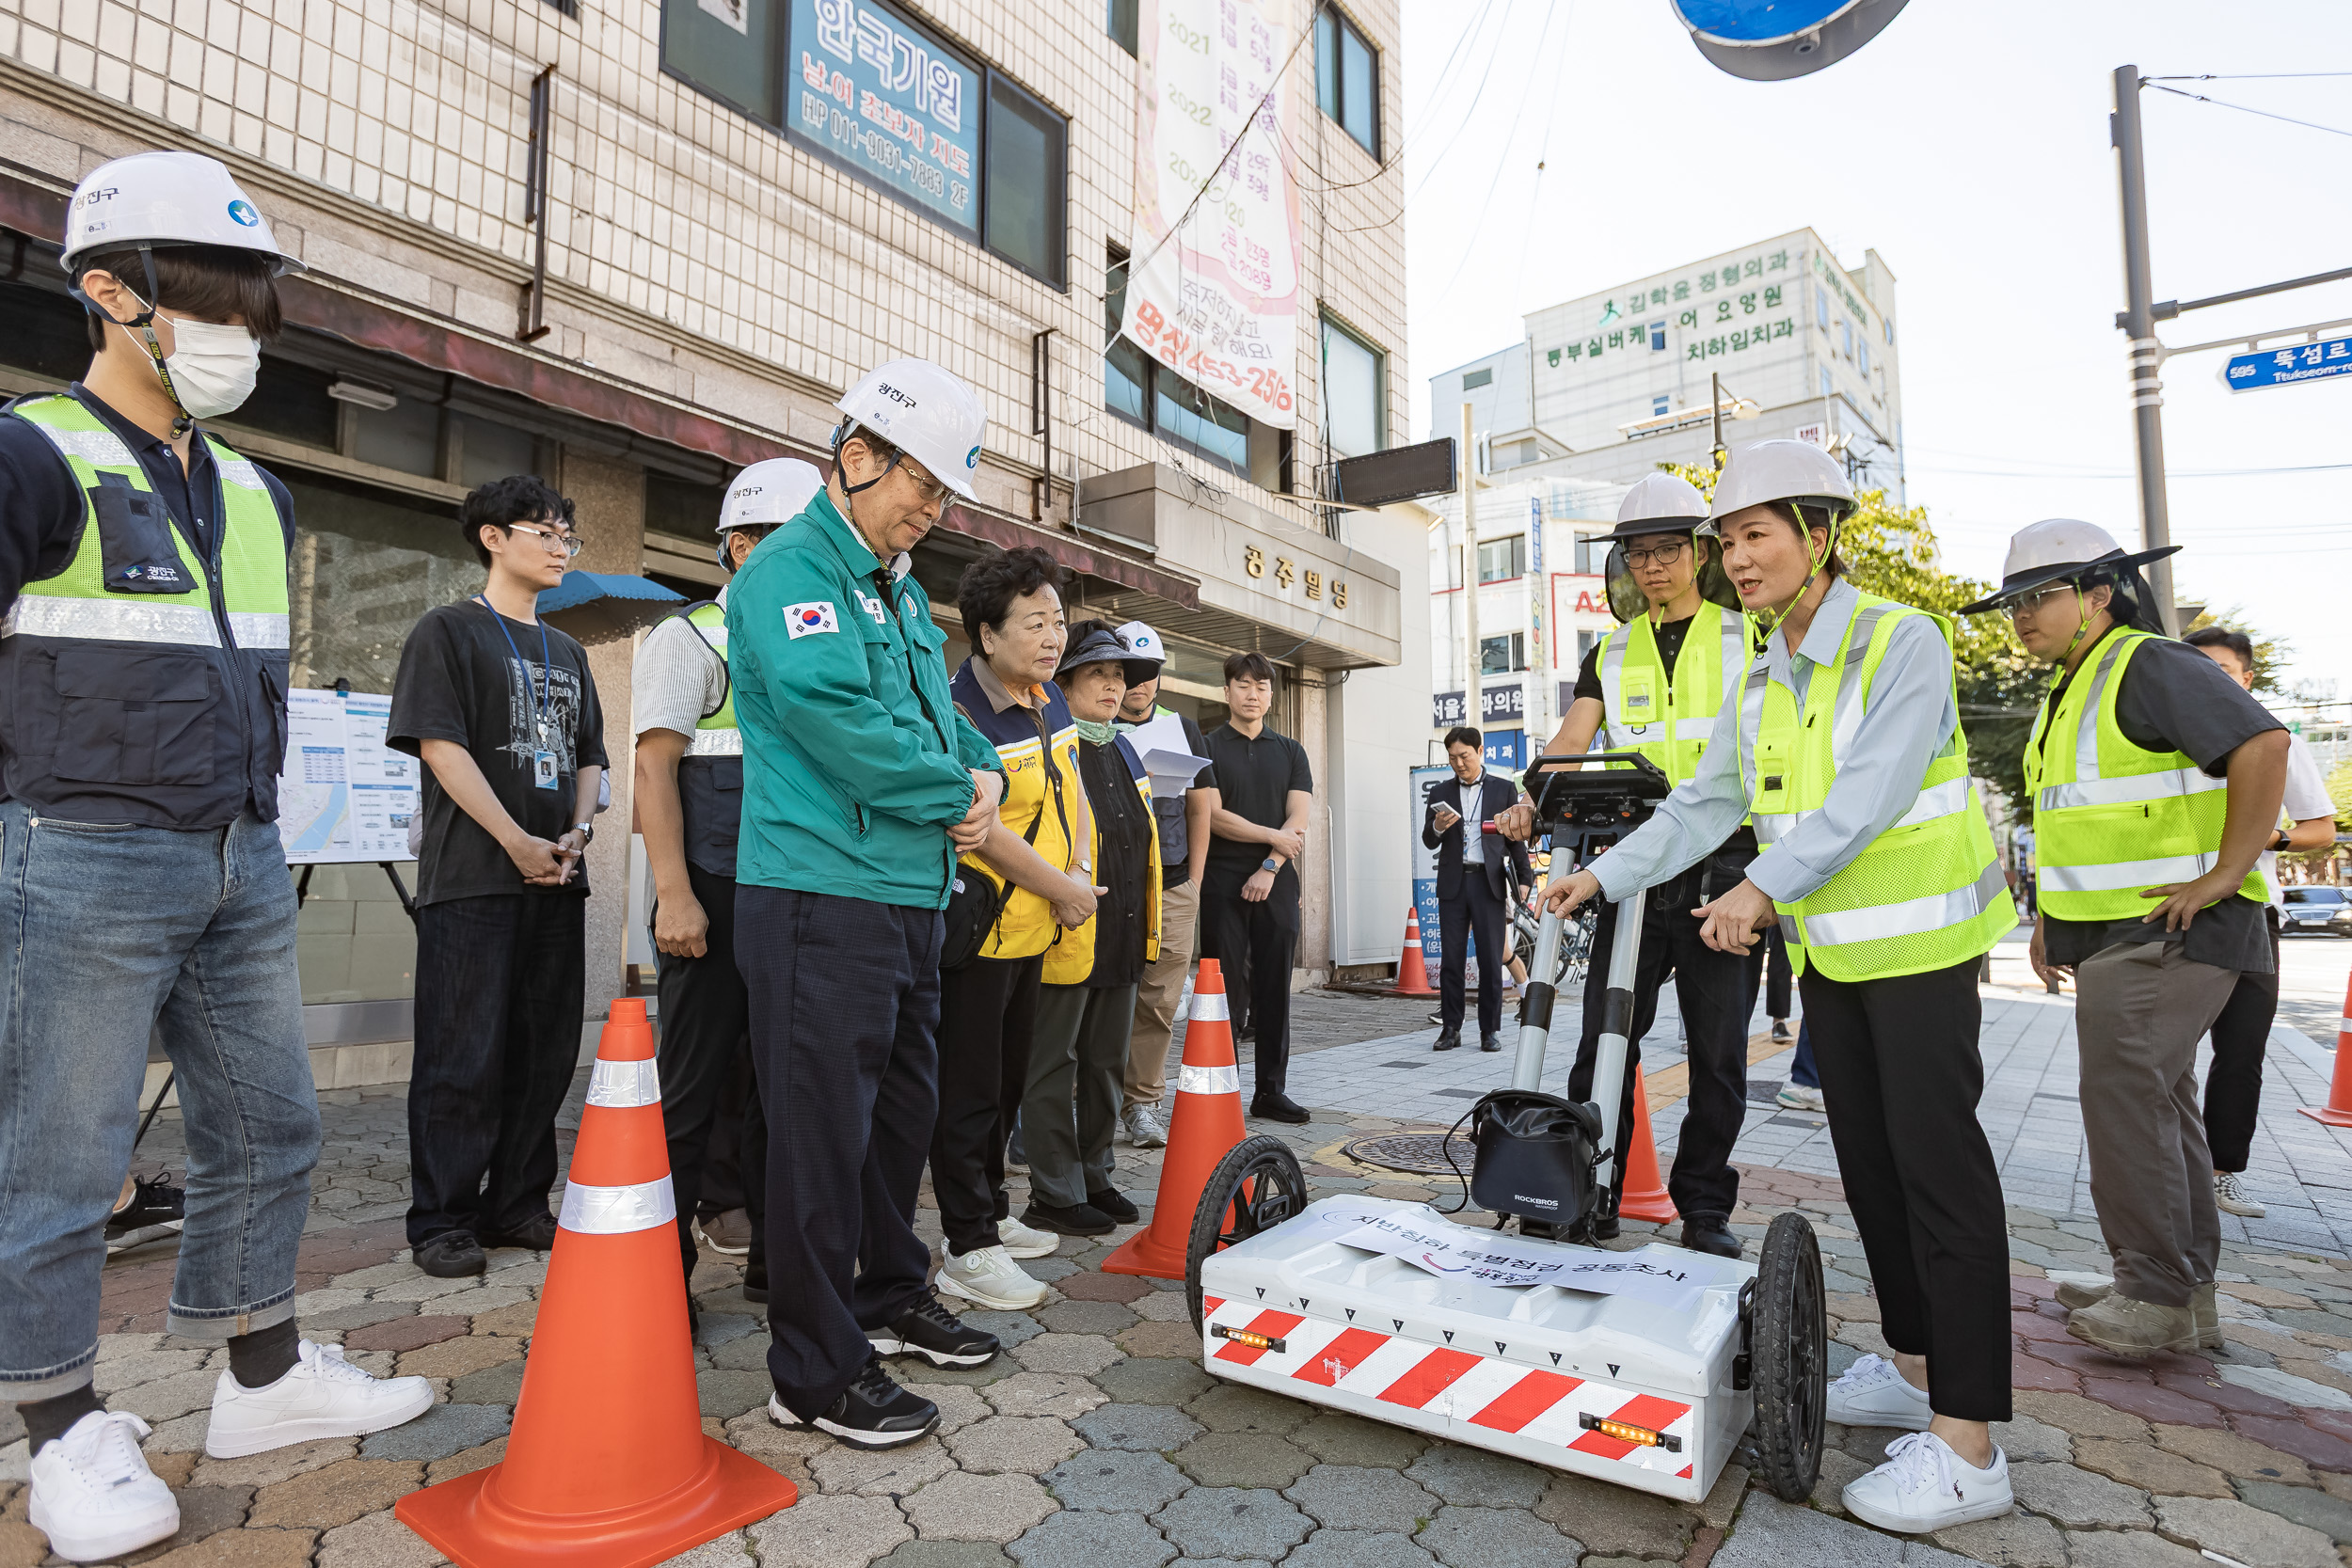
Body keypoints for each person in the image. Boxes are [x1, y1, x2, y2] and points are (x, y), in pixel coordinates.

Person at [1, 151, 429, 1563]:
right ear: (109, 294)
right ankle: (61, 1427)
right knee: (60, 1161)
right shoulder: (27, 453)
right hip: (76, 856)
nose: (236, 337)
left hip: (242, 858)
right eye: (207, 304)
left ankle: (258, 1379)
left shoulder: (256, 487)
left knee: (270, 1125)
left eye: (252, 309)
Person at [1542, 439, 2018, 1533]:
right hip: (1838, 957)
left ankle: (1971, 1442)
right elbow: (1700, 806)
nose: (1739, 557)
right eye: (1731, 537)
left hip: (1920, 950)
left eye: (1758, 533)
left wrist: (1755, 891)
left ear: (1820, 538)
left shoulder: (1902, 641)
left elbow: (1865, 797)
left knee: (1941, 1176)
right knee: (1872, 1170)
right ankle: (1911, 1365)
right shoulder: (1762, 672)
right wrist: (1596, 878)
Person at [728, 358, 1009, 1449]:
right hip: (817, 893)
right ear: (856, 457)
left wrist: (978, 765)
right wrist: (961, 793)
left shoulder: (886, 585)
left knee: (897, 1118)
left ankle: (890, 1292)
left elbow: (936, 722)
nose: (930, 514)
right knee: (817, 1137)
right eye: (922, 488)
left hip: (902, 891)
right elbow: (837, 722)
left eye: (943, 496)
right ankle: (810, 1365)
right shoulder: (792, 569)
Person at [1964, 522, 2287, 1358]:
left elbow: (2265, 742)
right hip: (2125, 934)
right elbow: (2082, 825)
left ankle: (2155, 1291)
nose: (2022, 617)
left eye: (2041, 597)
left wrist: (2225, 871)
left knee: (2125, 1096)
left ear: (2100, 593)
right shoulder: (2075, 684)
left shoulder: (2146, 662)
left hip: (2177, 929)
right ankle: (2183, 1285)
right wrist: (2049, 923)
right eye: (2014, 603)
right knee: (2160, 1099)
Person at [1500, 472, 1762, 1259]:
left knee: (1718, 1052)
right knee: (1605, 1037)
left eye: (1668, 551)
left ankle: (1705, 1209)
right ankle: (1590, 1189)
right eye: (1638, 553)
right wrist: (1528, 794)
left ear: (1699, 554)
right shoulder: (1609, 651)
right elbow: (1572, 739)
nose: (1653, 566)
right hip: (1633, 864)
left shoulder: (1747, 633)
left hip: (1725, 864)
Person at [389, 475, 607, 1278]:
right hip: (473, 877)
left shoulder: (571, 651)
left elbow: (590, 757)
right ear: (492, 537)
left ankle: (516, 1203)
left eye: (566, 537)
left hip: (557, 877)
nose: (559, 548)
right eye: (544, 532)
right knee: (461, 1051)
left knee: (543, 1051)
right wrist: (515, 838)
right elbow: (441, 749)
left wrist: (576, 834)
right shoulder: (446, 631)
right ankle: (441, 1217)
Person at [633, 458, 823, 1301]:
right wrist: (673, 894)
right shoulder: (691, 636)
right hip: (708, 893)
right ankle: (657, 1276)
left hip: (790, 891)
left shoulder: (815, 640)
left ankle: (777, 1269)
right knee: (691, 1089)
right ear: (739, 547)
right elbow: (653, 772)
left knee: (783, 1088)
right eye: (783, 544)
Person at [931, 546, 1103, 1310]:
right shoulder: (961, 710)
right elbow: (981, 829)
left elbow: (1072, 797)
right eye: (1034, 623)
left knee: (1003, 1087)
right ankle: (965, 1245)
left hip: (1036, 927)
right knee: (966, 1094)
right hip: (981, 931)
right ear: (985, 634)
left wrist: (1077, 879)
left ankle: (992, 1211)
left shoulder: (1048, 697)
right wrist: (1063, 889)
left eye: (1057, 620)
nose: (1052, 636)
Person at [2184, 626, 2336, 1221]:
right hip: (2172, 908)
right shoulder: (2163, 739)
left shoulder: (2276, 740)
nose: (2208, 682)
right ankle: (2171, 1174)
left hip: (2252, 910)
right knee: (2166, 1054)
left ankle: (2222, 1174)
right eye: (2195, 670)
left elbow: (2320, 827)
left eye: (2221, 671)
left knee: (2241, 1048)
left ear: (2247, 679)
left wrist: (2270, 836)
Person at [1021, 624, 1165, 1235]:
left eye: (1119, 677)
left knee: (1107, 1061)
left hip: (1124, 934)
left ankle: (1095, 1171)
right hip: (1065, 932)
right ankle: (1053, 1188)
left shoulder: (1125, 749)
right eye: (1098, 674)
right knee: (1054, 1063)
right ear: (1063, 683)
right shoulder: (1048, 745)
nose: (1113, 686)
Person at [1112, 621, 1216, 1149]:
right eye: (1128, 672)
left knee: (1157, 1002)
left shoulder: (1183, 726)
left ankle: (1143, 1104)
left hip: (1172, 882)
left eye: (1148, 674)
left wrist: (1194, 881)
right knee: (1101, 995)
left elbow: (1204, 805)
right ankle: (1091, 1100)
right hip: (1109, 884)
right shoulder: (1091, 721)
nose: (1138, 685)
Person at [1201, 652, 1315, 1123]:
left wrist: (1269, 865)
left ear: (1272, 694)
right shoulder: (1206, 746)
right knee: (1221, 989)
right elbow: (1212, 814)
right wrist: (1272, 836)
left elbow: (1300, 818)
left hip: (1277, 879)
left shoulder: (1291, 750)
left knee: (1275, 987)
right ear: (1226, 690)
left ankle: (1270, 1090)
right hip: (1220, 879)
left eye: (1262, 686)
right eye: (1243, 684)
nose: (1253, 694)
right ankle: (1220, 1091)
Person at [1423, 725, 1534, 1053]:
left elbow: (1515, 840)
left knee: (1490, 959)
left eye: (1464, 756)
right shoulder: (1441, 791)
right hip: (1453, 884)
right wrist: (1437, 827)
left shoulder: (1502, 790)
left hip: (1489, 883)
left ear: (1480, 751)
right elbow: (1429, 841)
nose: (1458, 763)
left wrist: (1525, 879)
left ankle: (1490, 1030)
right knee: (1452, 960)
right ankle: (1451, 1028)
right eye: (1453, 758)